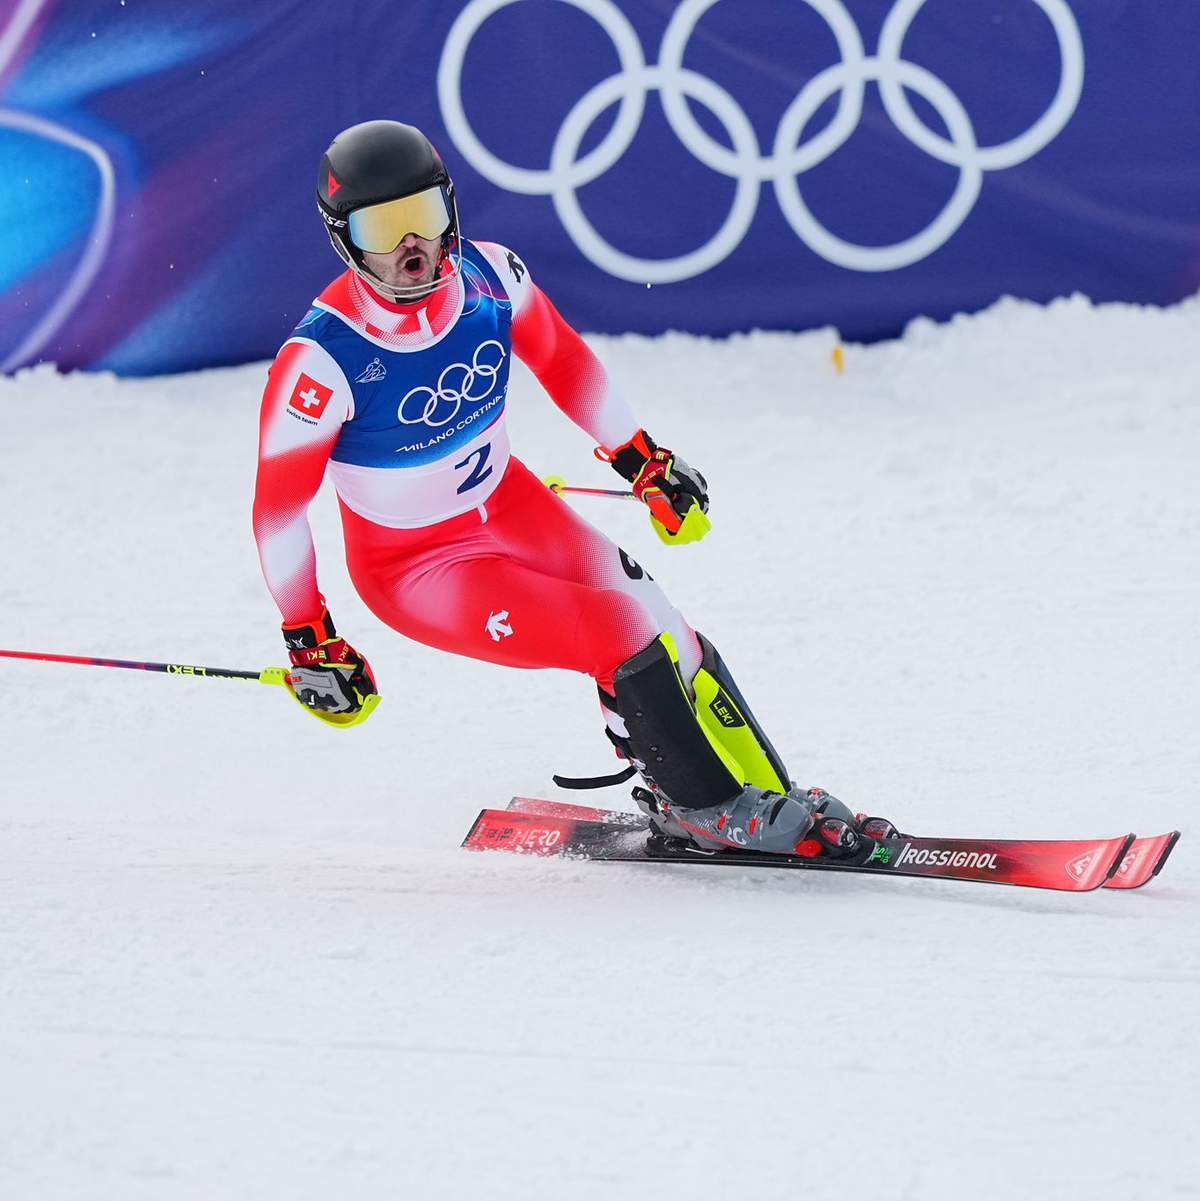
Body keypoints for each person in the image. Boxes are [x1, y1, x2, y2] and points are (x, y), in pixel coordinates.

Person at [252, 120, 895, 859]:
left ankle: (766, 794)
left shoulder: (492, 277)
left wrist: (643, 461)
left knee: (663, 622)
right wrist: (310, 638)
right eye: (381, 229)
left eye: (424, 214)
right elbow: (279, 512)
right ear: (345, 240)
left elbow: (562, 360)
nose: (412, 245)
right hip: (417, 565)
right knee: (617, 629)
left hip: (509, 504)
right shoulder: (319, 363)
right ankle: (702, 808)